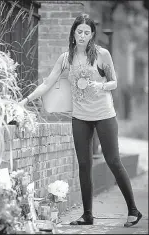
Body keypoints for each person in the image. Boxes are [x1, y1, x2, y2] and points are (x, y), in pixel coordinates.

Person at [19, 14, 142, 227]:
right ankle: (87, 215)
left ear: (92, 34)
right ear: (73, 34)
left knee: (113, 160)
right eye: (79, 32)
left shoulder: (102, 54)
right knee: (84, 165)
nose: (83, 36)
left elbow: (114, 82)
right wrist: (26, 100)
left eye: (87, 32)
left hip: (104, 114)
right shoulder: (66, 58)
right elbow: (48, 83)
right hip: (81, 117)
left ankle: (133, 210)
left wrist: (100, 86)